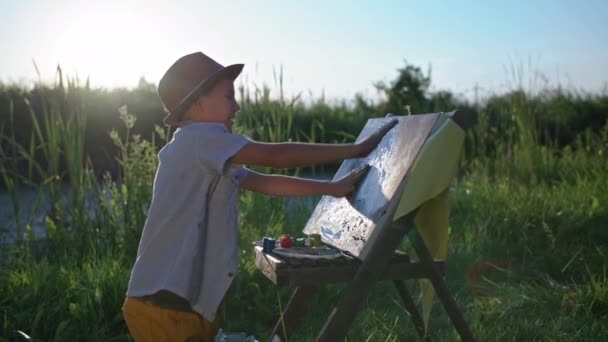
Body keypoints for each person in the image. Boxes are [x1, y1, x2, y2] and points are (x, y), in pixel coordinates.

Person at [121, 51, 397, 341]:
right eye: (229, 97)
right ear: (197, 104)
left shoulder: (204, 151)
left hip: (177, 301)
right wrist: (356, 149)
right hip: (166, 304)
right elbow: (273, 155)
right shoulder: (200, 140)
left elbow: (265, 182)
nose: (237, 106)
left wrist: (331, 188)